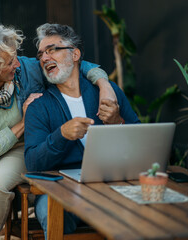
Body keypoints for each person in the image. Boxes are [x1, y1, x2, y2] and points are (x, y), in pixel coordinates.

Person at [0, 22, 117, 240]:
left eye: (15, 56)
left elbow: (76, 63)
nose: (17, 63)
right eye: (9, 62)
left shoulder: (26, 70)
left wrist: (104, 83)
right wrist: (23, 122)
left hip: (21, 149)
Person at [24, 23, 140, 237]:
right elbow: (32, 163)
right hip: (61, 190)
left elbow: (141, 144)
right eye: (41, 54)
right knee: (48, 210)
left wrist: (117, 122)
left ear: (75, 54)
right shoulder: (38, 107)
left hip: (110, 183)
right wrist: (61, 135)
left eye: (52, 49)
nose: (44, 58)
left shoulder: (108, 93)